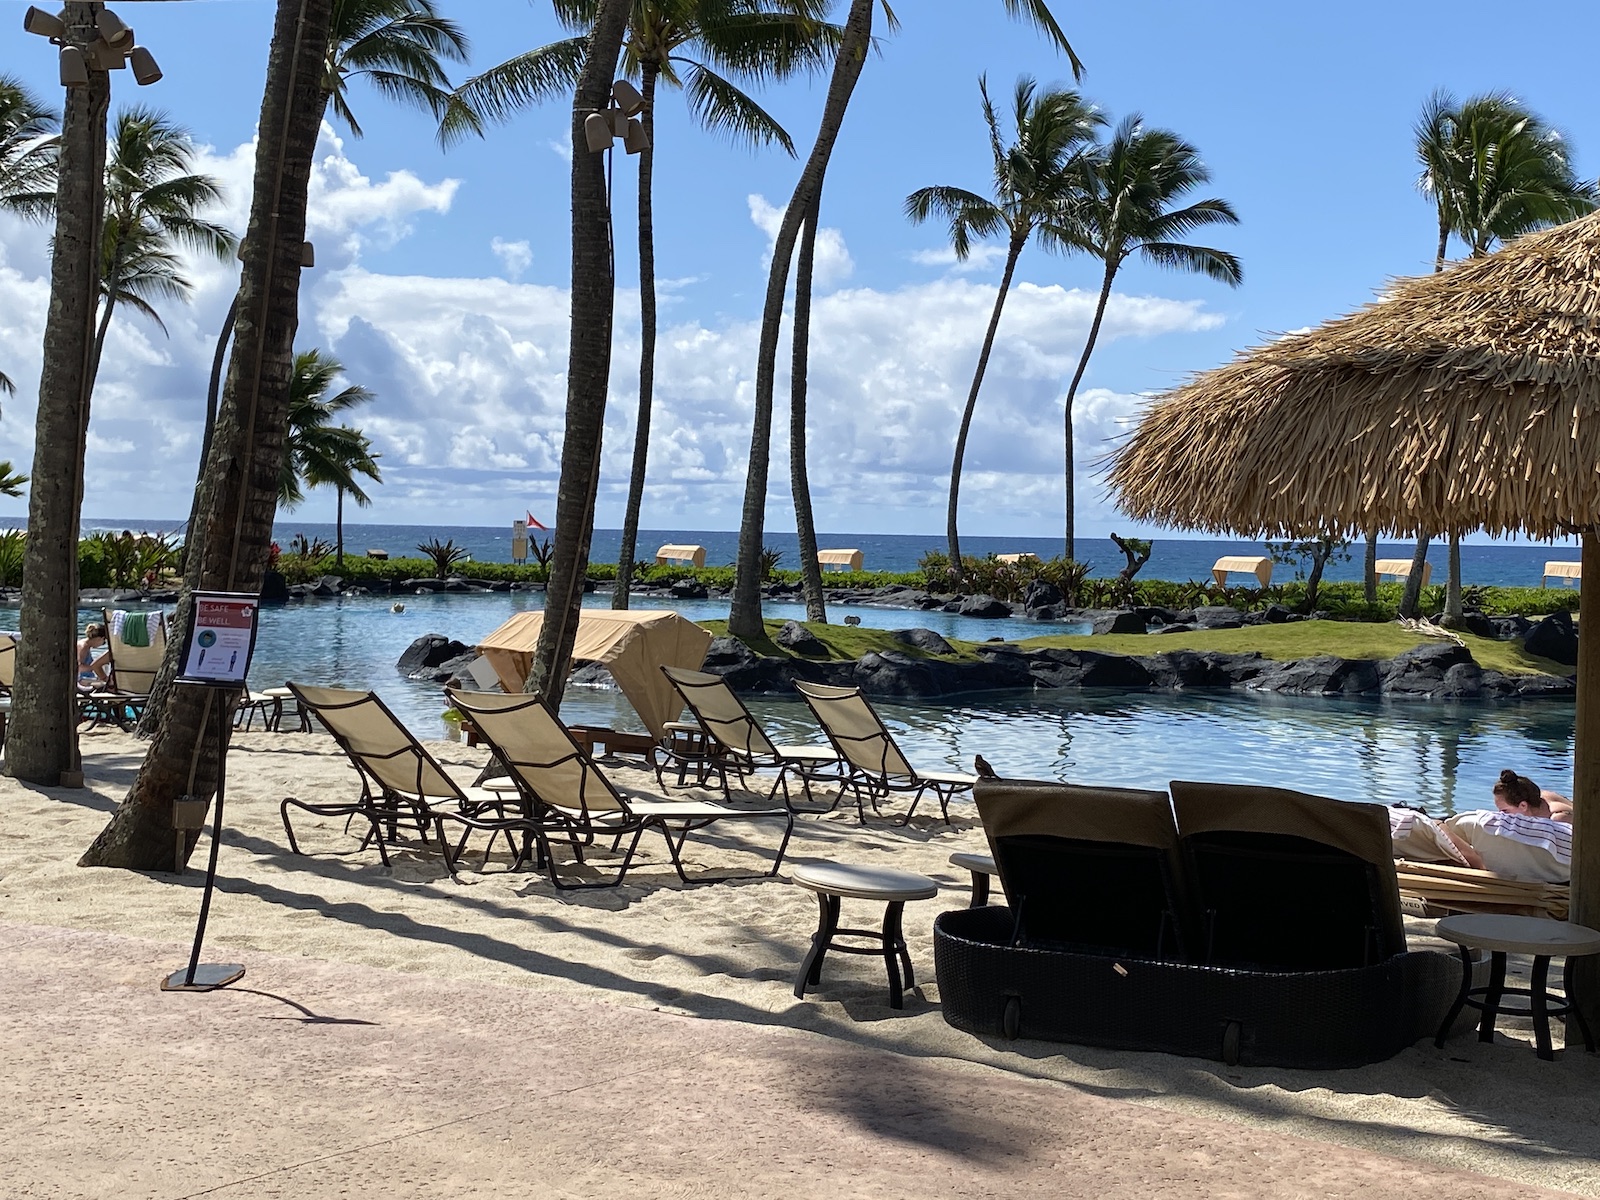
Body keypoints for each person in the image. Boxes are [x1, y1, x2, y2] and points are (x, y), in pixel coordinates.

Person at [1491, 769, 1571, 822]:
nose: (1501, 815)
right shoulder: (1533, 795)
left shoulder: (1558, 819)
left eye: (1505, 811)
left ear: (1523, 805)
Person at [77, 622, 110, 687]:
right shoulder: (84, 647)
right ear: (100, 638)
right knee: (108, 684)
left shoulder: (83, 644)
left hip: (85, 678)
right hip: (82, 680)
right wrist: (96, 666)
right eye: (104, 642)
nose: (103, 644)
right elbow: (79, 667)